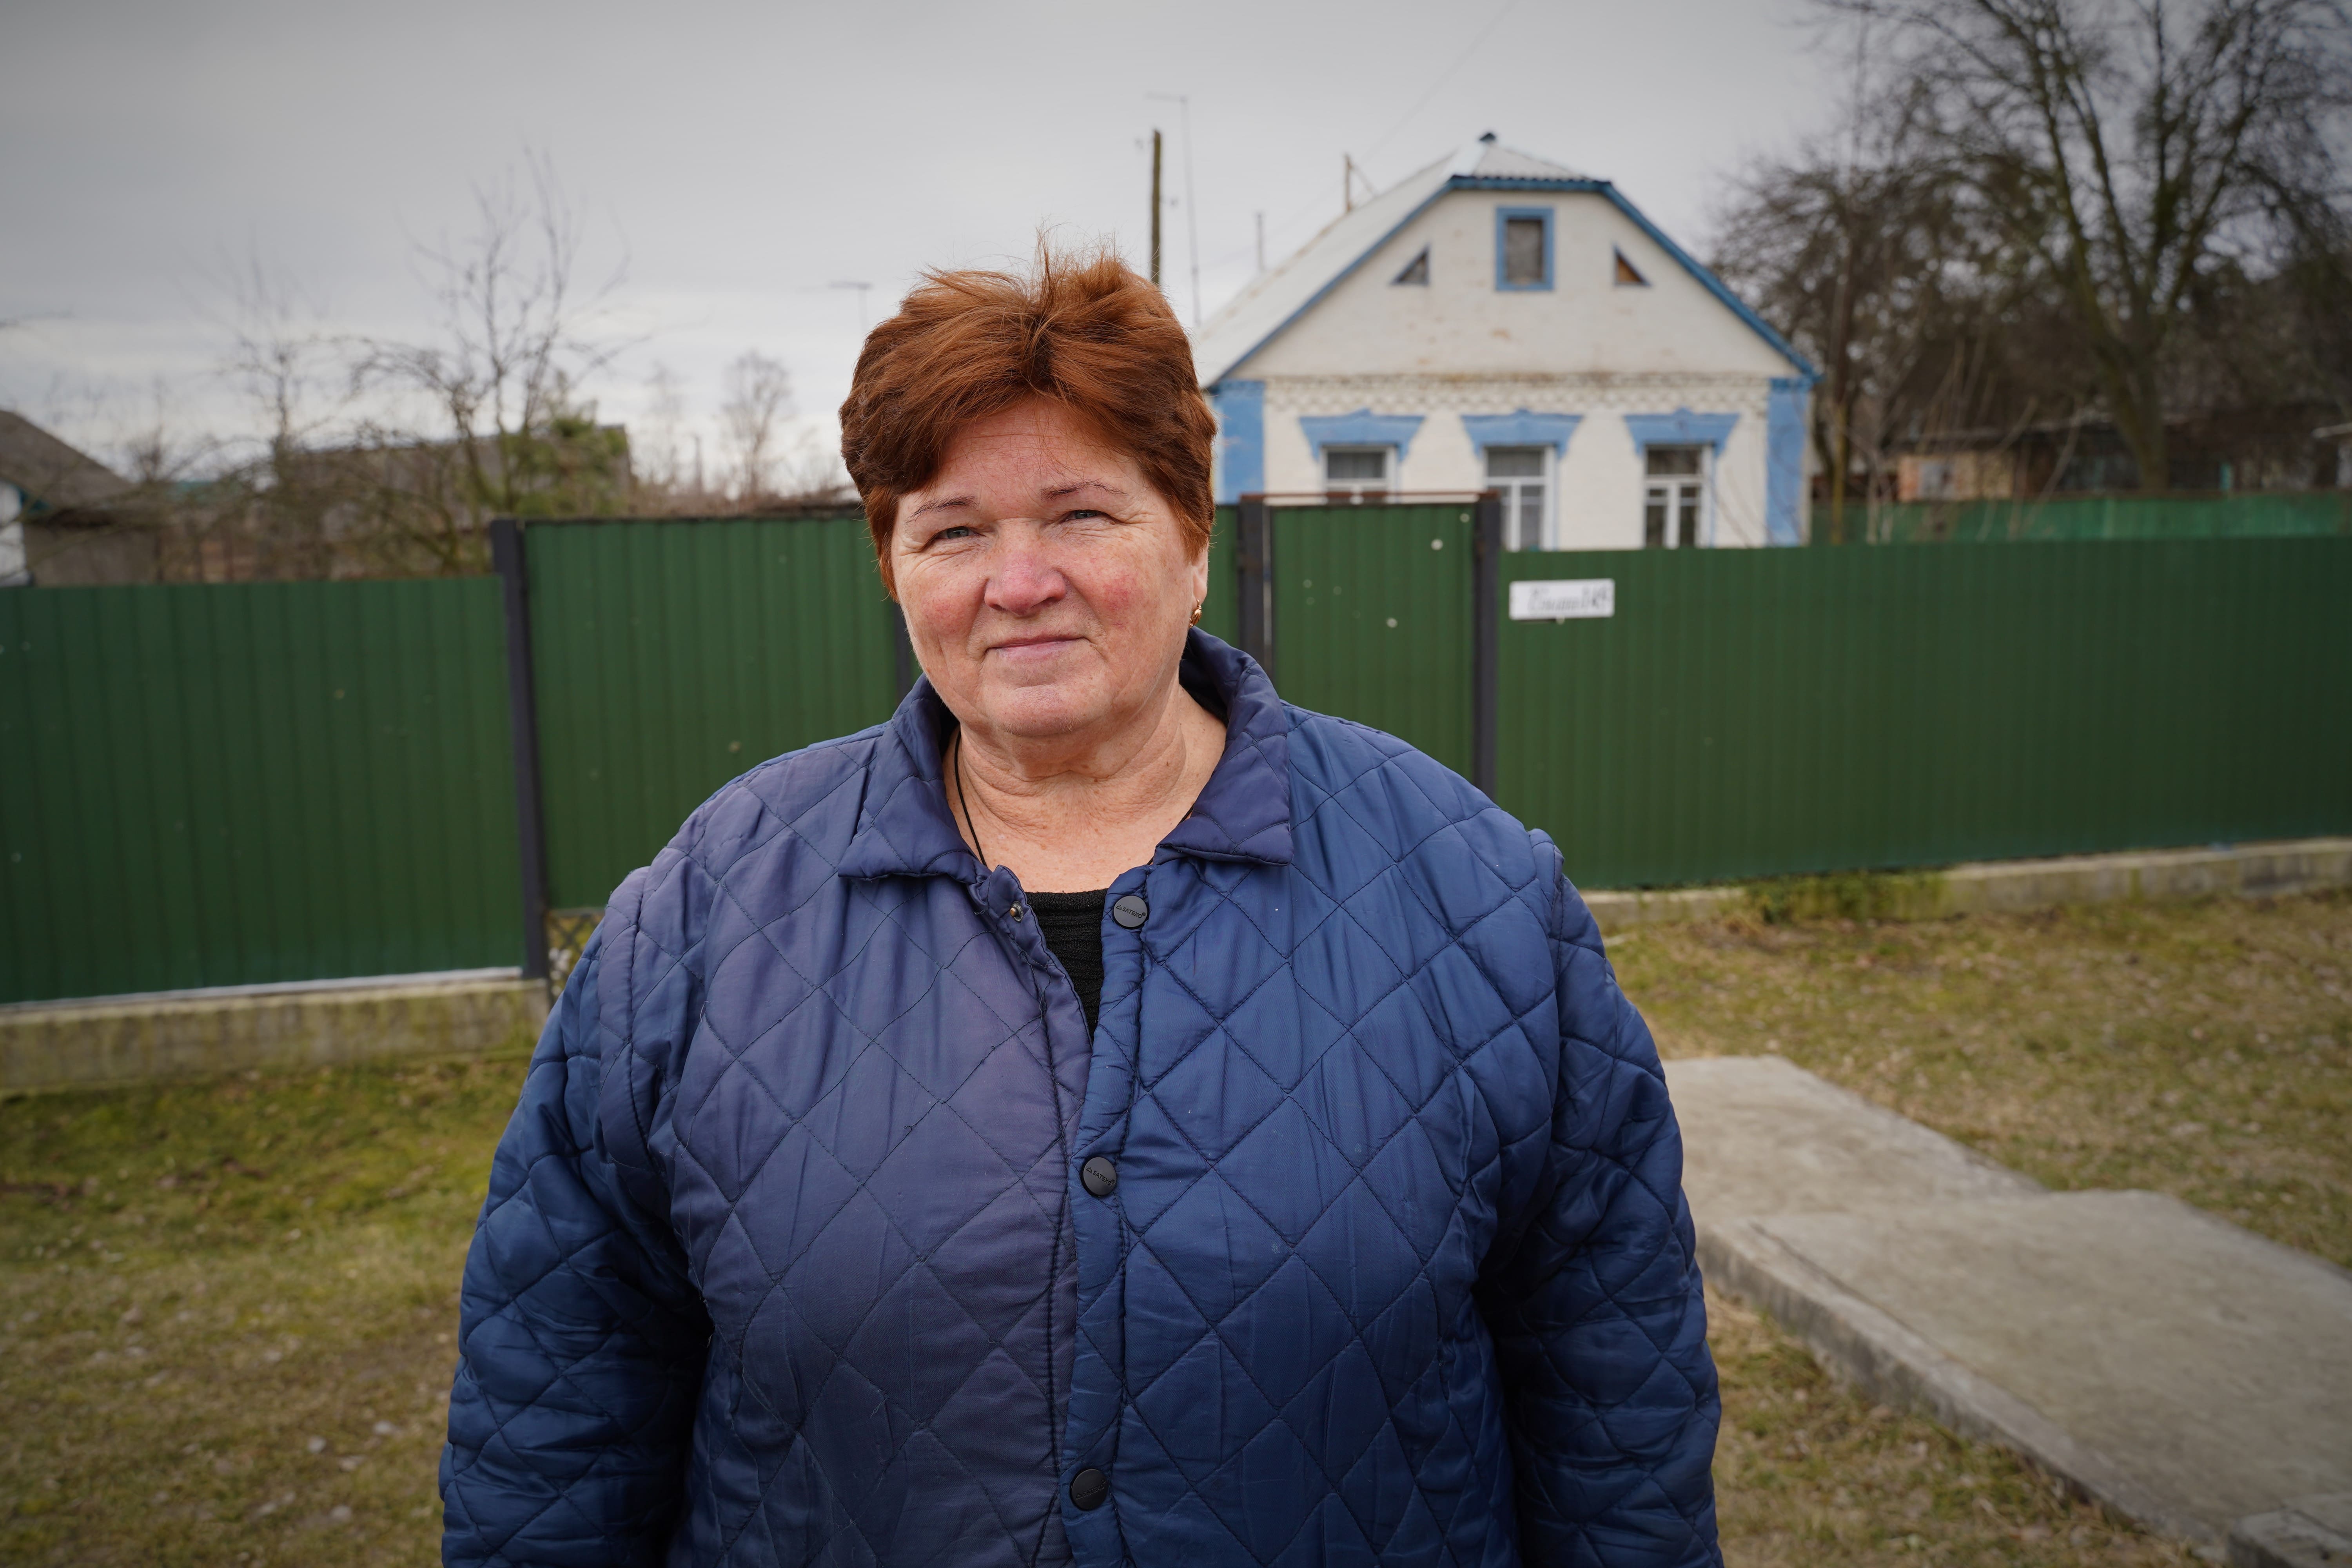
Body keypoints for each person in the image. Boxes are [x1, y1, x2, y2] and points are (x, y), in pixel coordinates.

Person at [441, 248, 1720, 1568]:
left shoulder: (1480, 898)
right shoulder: (705, 913)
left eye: (1082, 516)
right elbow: (557, 1399)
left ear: (1193, 538)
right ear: (894, 565)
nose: (1019, 581)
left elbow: (1617, 1399)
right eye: (953, 530)